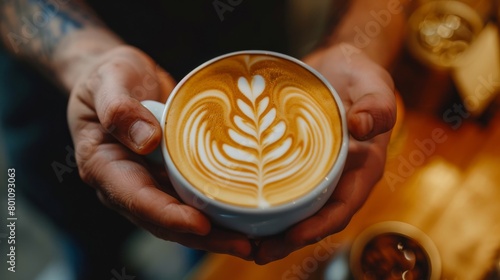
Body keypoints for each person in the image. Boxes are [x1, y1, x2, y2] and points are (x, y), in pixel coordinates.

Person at [0, 0, 404, 278]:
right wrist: (88, 60)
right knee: (91, 251)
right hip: (66, 105)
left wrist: (358, 42)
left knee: (208, 239)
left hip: (263, 66)